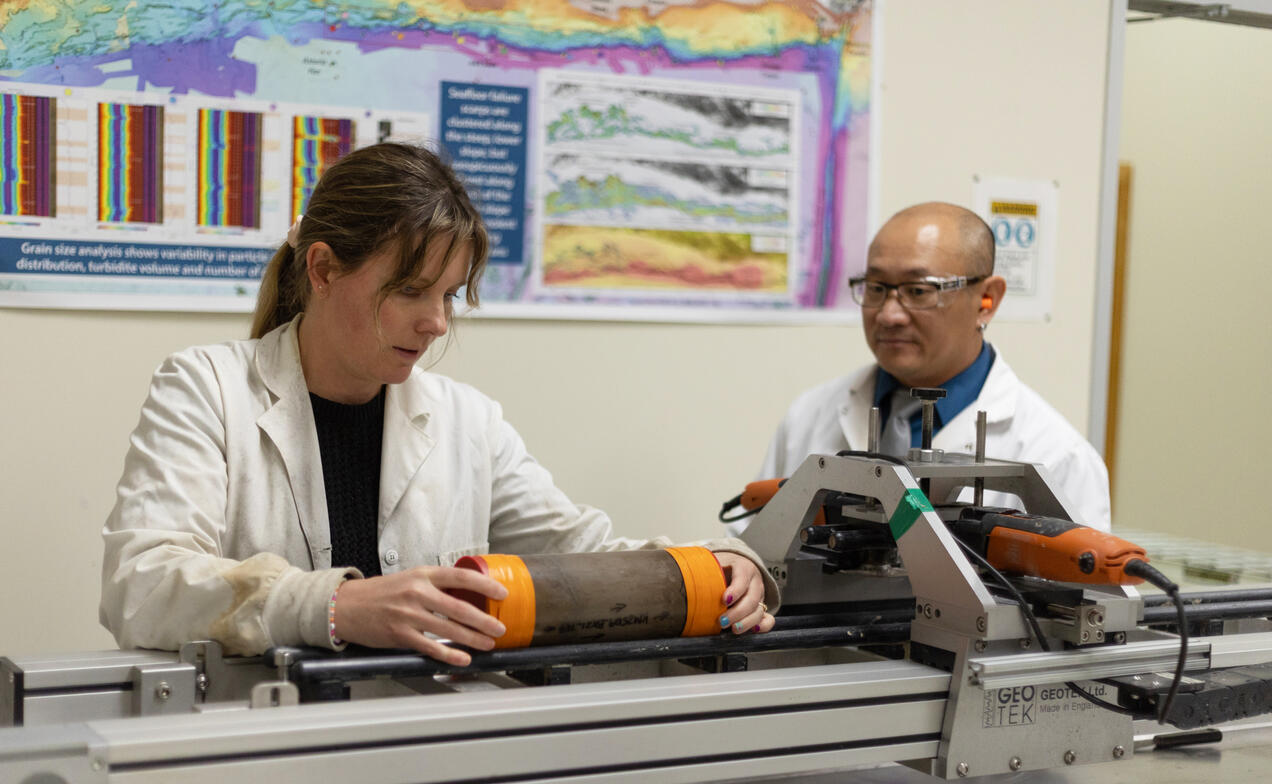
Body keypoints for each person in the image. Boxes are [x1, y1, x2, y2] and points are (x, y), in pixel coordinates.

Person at [101, 142, 776, 666]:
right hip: (251, 771)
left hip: (425, 772)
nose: (437, 324)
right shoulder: (206, 389)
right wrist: (334, 604)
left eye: (449, 296)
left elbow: (582, 552)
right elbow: (141, 583)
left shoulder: (466, 421)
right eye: (412, 291)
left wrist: (715, 564)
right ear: (325, 268)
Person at [750, 202, 1110, 530]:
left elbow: (1088, 597)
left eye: (919, 291)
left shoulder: (1060, 457)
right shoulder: (809, 415)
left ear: (987, 301)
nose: (889, 315)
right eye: (876, 288)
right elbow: (753, 547)